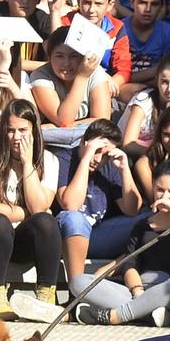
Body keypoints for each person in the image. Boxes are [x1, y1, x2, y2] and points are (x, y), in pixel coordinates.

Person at [71, 157, 170, 328]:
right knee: (78, 282)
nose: (165, 196)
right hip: (139, 289)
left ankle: (116, 316)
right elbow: (130, 264)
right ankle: (147, 314)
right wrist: (138, 292)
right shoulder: (142, 225)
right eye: (160, 190)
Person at [0, 99, 62, 321]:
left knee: (46, 222)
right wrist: (29, 212)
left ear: (35, 130)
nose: (16, 137)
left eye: (23, 130)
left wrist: (27, 163)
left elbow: (39, 208)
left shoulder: (50, 160)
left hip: (25, 241)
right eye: (10, 130)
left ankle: (46, 297)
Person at [56, 118, 142, 280]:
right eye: (96, 151)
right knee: (75, 218)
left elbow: (132, 210)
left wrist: (124, 169)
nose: (98, 160)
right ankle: (78, 287)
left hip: (97, 235)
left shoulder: (109, 164)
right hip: (67, 236)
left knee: (147, 219)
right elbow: (70, 205)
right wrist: (87, 156)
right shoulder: (65, 158)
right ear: (83, 142)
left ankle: (120, 263)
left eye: (105, 155)